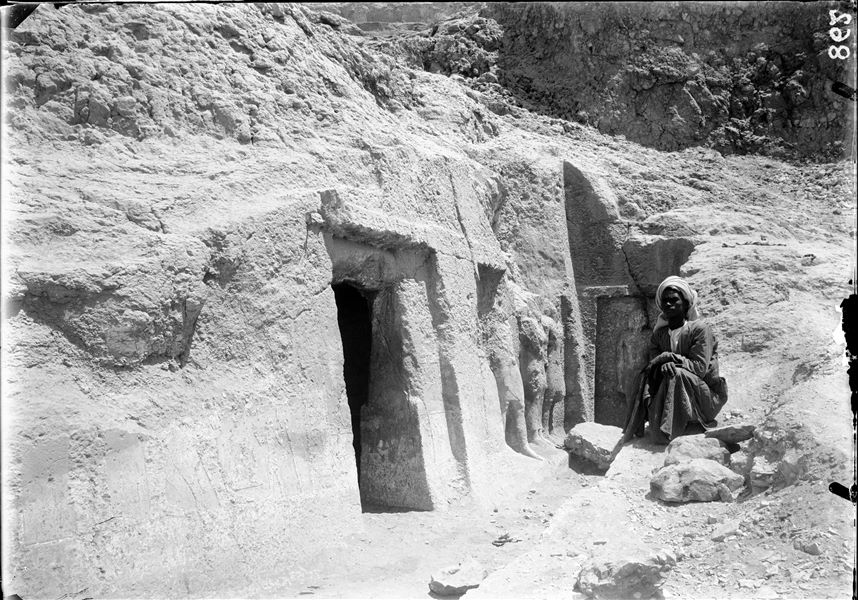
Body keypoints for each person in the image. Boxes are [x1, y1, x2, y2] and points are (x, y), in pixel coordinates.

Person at [643, 276, 728, 443]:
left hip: (705, 399)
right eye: (665, 301)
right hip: (668, 394)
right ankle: (657, 422)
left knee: (678, 373)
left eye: (674, 300)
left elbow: (699, 368)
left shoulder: (699, 329)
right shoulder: (659, 335)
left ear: (686, 303)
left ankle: (673, 429)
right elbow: (652, 366)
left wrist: (669, 357)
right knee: (642, 377)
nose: (668, 304)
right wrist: (661, 366)